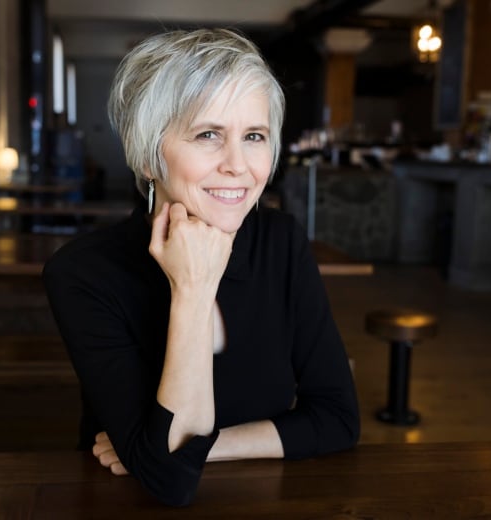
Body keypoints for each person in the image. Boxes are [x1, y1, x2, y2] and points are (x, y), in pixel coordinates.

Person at [43, 28, 359, 507]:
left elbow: (338, 420)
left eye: (254, 136)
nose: (238, 164)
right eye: (208, 134)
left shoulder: (280, 241)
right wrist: (192, 290)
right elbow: (169, 482)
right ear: (149, 155)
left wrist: (200, 449)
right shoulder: (83, 273)